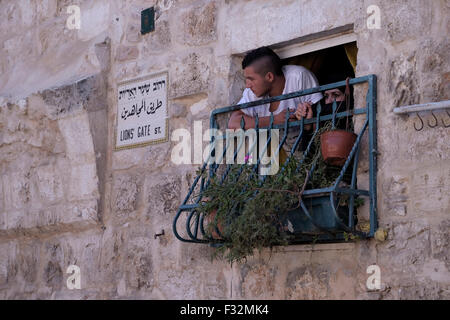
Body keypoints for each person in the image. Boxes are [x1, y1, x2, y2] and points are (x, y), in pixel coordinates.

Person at [227, 47, 323, 162]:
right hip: (279, 166)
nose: (247, 85)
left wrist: (304, 117)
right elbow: (233, 124)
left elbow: (321, 121)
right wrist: (275, 120)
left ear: (269, 77)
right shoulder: (252, 92)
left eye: (251, 79)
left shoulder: (299, 76)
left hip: (312, 155)